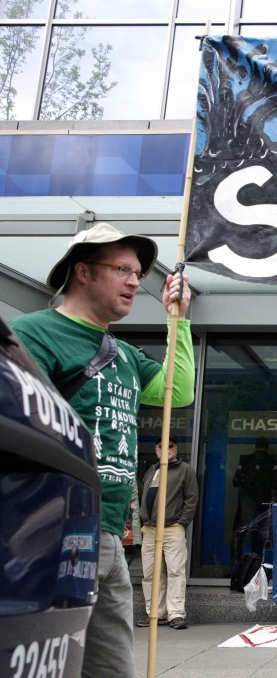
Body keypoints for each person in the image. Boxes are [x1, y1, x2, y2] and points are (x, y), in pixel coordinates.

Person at [10, 222, 194, 678]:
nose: (135, 282)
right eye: (122, 270)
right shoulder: (34, 334)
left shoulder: (123, 353)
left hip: (111, 533)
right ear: (83, 272)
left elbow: (179, 391)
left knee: (113, 670)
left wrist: (179, 320)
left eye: (138, 274)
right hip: (55, 530)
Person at [137, 436, 198, 630]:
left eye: (170, 446)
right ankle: (155, 613)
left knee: (175, 572)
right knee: (150, 574)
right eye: (161, 446)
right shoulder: (152, 470)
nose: (166, 449)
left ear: (176, 448)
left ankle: (176, 614)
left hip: (172, 528)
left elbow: (191, 498)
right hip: (150, 529)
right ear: (156, 449)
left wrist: (182, 523)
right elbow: (143, 495)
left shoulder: (185, 469)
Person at [232, 436, 277, 564]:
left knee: (239, 534)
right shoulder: (272, 462)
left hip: (246, 505)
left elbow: (235, 481)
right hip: (264, 505)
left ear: (255, 445)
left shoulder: (245, 461)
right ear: (267, 446)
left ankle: (236, 566)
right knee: (260, 536)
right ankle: (257, 565)